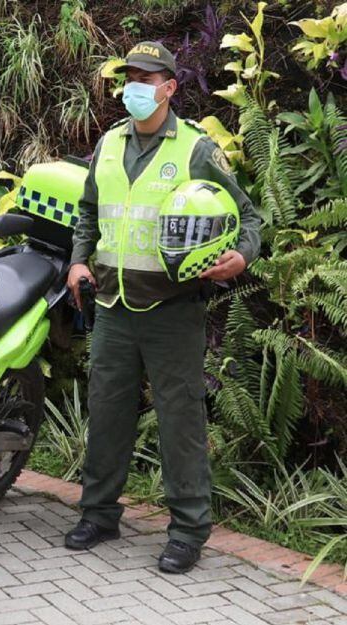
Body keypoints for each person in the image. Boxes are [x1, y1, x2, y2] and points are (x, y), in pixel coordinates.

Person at [64, 42, 261, 574]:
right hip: (112, 305)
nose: (136, 87)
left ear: (170, 87)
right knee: (105, 414)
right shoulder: (108, 145)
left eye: (147, 79)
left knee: (180, 422)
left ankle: (188, 531)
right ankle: (99, 514)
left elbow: (248, 216)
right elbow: (87, 212)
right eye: (130, 77)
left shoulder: (195, 149)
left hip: (173, 310)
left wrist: (239, 258)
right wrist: (78, 261)